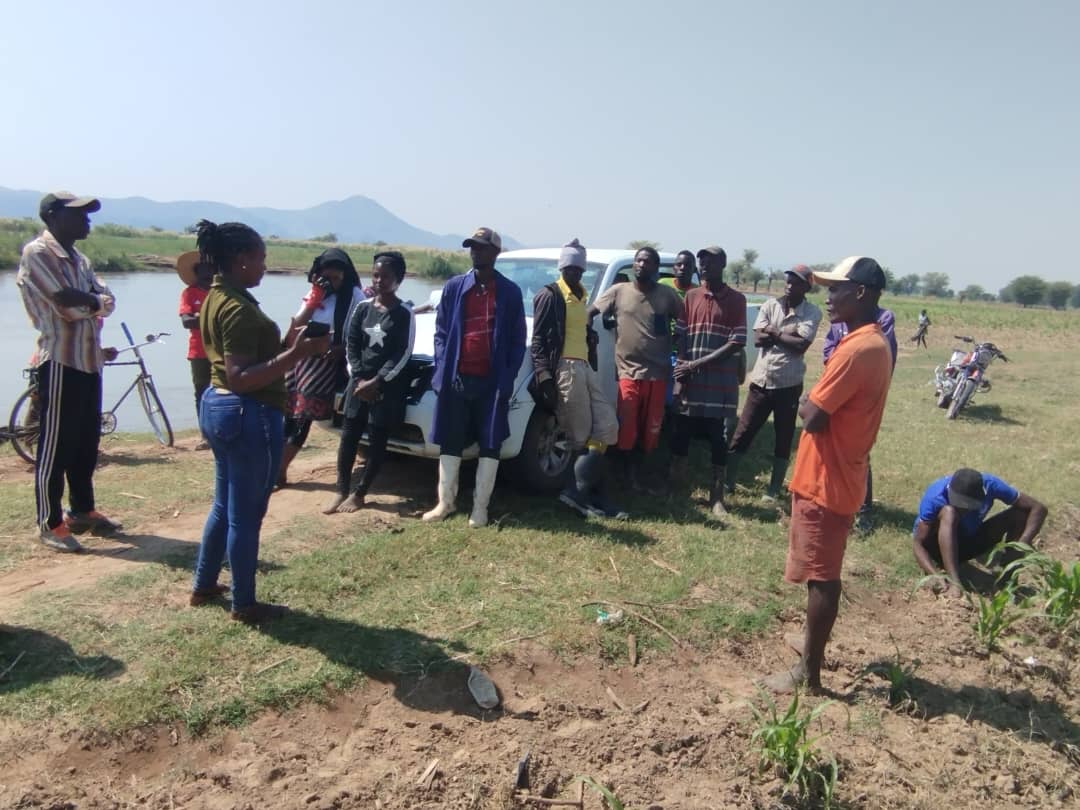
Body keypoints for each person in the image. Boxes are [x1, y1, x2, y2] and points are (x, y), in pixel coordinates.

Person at [190, 219, 329, 623]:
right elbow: (241, 376)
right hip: (246, 412)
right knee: (246, 515)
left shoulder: (217, 296)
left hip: (218, 406)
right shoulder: (236, 309)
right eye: (261, 258)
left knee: (224, 505)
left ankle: (203, 584)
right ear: (241, 260)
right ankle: (244, 603)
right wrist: (297, 356)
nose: (266, 266)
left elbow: (241, 365)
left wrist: (296, 342)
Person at [764, 256, 892, 694]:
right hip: (837, 472)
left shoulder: (857, 349)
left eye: (836, 289)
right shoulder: (872, 343)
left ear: (860, 292)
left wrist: (805, 401)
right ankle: (809, 651)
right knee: (822, 571)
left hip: (827, 478)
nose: (829, 297)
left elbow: (813, 414)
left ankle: (809, 675)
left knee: (822, 576)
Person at [16, 191, 120, 553]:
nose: (86, 221)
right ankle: (49, 522)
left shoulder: (79, 259)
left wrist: (92, 301)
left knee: (85, 442)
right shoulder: (38, 253)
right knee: (55, 445)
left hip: (89, 361)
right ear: (53, 216)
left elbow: (104, 298)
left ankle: (81, 510)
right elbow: (64, 304)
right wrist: (95, 302)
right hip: (60, 361)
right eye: (79, 215)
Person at [423, 227, 526, 528]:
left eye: (482, 248)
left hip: (492, 382)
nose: (475, 252)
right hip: (457, 377)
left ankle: (480, 508)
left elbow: (518, 340)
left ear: (495, 253)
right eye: (472, 247)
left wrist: (507, 375)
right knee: (450, 440)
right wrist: (443, 369)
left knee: (489, 442)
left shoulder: (509, 291)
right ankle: (445, 502)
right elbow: (441, 333)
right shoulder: (455, 286)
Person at [531, 239, 625, 519]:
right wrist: (544, 376)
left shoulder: (582, 295)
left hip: (585, 367)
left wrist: (590, 337)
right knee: (580, 435)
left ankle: (584, 491)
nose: (574, 272)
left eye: (578, 268)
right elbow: (538, 341)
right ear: (562, 267)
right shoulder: (550, 295)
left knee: (608, 427)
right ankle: (581, 495)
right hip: (565, 368)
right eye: (569, 267)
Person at [324, 251, 415, 514]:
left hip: (385, 388)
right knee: (349, 437)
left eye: (386, 276)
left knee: (377, 439)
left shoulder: (404, 314)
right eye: (375, 275)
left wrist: (377, 381)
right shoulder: (362, 308)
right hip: (359, 383)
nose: (379, 280)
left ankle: (360, 492)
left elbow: (403, 353)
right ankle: (341, 489)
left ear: (398, 279)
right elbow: (352, 344)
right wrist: (359, 377)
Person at [589, 246, 683, 491]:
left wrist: (677, 341)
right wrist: (586, 329)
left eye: (648, 261)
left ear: (655, 266)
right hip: (629, 372)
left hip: (658, 372)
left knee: (650, 428)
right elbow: (593, 310)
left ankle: (639, 474)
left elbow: (684, 319)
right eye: (638, 260)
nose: (642, 265)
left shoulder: (666, 295)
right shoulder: (619, 291)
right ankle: (624, 475)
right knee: (627, 422)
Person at [727, 265, 822, 500]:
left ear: (806, 287)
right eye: (788, 281)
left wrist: (775, 333)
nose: (790, 286)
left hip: (788, 385)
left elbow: (801, 345)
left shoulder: (811, 312)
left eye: (797, 282)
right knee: (743, 432)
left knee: (783, 436)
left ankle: (773, 488)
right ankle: (728, 480)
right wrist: (786, 336)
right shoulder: (770, 305)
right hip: (761, 381)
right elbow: (759, 339)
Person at [669, 246, 746, 516]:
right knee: (681, 432)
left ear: (723, 264)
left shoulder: (736, 300)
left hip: (720, 385)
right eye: (701, 262)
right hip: (691, 381)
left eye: (710, 262)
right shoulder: (691, 297)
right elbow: (681, 335)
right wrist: (681, 371)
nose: (703, 266)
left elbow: (737, 341)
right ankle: (677, 488)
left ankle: (717, 497)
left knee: (718, 438)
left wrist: (696, 364)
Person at [278, 249, 365, 486]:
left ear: (345, 276)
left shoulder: (356, 297)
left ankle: (280, 468)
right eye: (326, 278)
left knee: (302, 417)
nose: (332, 283)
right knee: (286, 414)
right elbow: (292, 332)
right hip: (299, 358)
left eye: (336, 278)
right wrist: (316, 296)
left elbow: (357, 334)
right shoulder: (317, 294)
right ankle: (277, 466)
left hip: (325, 362)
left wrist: (339, 349)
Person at [822, 293, 896, 534]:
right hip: (836, 386)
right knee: (831, 446)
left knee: (857, 452)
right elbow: (829, 349)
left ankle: (863, 513)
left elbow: (883, 355)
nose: (830, 298)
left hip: (861, 393)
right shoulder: (838, 319)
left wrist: (850, 361)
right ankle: (831, 503)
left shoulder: (882, 318)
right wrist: (842, 363)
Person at [912, 468, 1047, 596]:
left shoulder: (991, 485)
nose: (963, 510)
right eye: (959, 505)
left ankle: (1008, 578)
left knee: (1020, 514)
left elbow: (1038, 508)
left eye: (967, 506)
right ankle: (955, 580)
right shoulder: (936, 495)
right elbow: (918, 543)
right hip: (938, 549)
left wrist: (1023, 542)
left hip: (968, 541)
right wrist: (934, 574)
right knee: (949, 513)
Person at [176, 251, 215, 449]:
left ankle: (222, 429)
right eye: (203, 269)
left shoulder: (220, 292)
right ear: (197, 271)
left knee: (226, 390)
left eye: (211, 268)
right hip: (198, 351)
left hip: (222, 350)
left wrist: (200, 317)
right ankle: (205, 435)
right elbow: (186, 321)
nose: (208, 273)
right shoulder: (189, 293)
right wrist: (212, 318)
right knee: (201, 392)